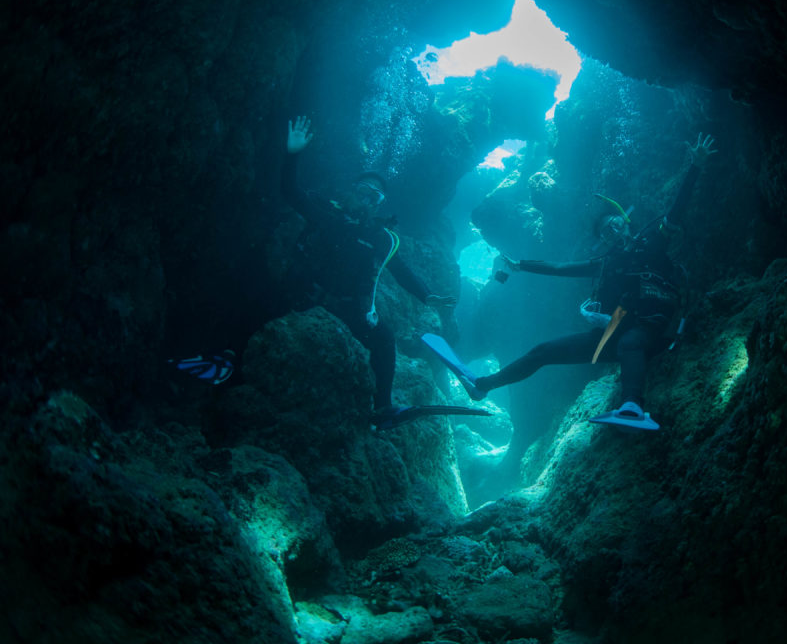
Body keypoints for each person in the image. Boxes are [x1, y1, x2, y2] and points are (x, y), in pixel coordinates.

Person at [423, 133, 717, 429]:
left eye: (614, 226)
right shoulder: (606, 264)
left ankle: (632, 407)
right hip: (612, 333)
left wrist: (696, 167)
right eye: (605, 233)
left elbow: (676, 214)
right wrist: (521, 264)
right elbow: (561, 267)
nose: (612, 233)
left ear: (624, 223)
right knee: (544, 351)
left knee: (631, 341)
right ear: (603, 242)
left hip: (653, 328)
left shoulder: (651, 244)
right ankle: (483, 384)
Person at [282, 115, 457, 424]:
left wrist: (426, 296)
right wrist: (293, 154)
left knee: (384, 339)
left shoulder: (380, 238)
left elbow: (401, 271)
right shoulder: (328, 215)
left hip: (349, 311)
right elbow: (290, 192)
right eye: (362, 191)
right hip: (301, 297)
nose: (365, 199)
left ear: (379, 204)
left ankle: (383, 407)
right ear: (352, 191)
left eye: (373, 196)